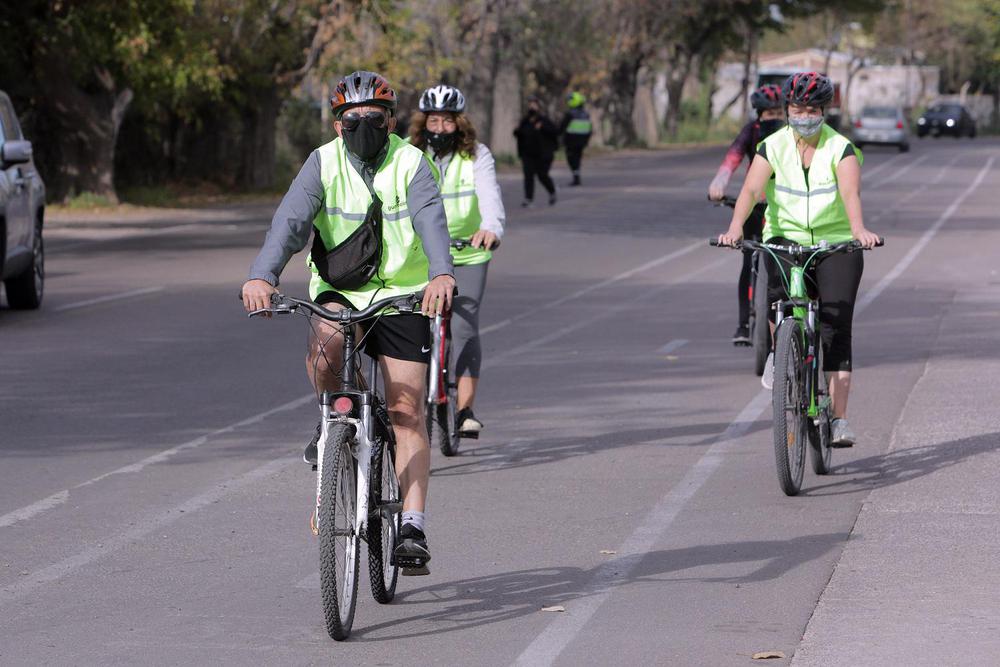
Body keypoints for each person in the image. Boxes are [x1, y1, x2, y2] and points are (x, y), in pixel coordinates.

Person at [241, 70, 456, 571]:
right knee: (327, 342)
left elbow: (429, 218)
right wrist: (262, 276)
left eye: (373, 119)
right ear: (338, 125)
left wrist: (441, 273)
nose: (363, 126)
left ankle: (413, 526)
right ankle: (335, 417)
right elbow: (290, 223)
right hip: (341, 289)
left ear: (391, 120)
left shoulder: (411, 162)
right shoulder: (321, 163)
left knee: (407, 413)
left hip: (404, 295)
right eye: (352, 119)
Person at [717, 72, 880, 447]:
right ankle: (781, 352)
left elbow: (851, 194)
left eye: (811, 109)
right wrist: (735, 226)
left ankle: (839, 420)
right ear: (787, 110)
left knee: (835, 329)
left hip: (835, 243)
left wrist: (858, 230)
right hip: (785, 238)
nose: (803, 115)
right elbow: (752, 189)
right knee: (780, 301)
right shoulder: (771, 146)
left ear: (823, 111)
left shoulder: (841, 149)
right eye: (796, 108)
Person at [408, 84, 505, 436]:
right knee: (411, 324)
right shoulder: (408, 152)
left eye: (447, 121)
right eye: (433, 120)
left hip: (468, 250)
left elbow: (489, 196)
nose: (439, 129)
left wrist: (491, 228)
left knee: (463, 325)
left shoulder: (477, 155)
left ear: (459, 123)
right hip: (421, 254)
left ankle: (465, 410)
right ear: (423, 122)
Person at [708, 83, 785, 346]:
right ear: (759, 114)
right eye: (768, 114)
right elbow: (733, 158)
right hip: (754, 204)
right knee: (748, 261)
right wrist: (719, 184)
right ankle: (743, 324)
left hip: (785, 206)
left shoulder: (790, 134)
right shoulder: (750, 132)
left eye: (778, 113)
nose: (773, 119)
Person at [513, 95, 559, 207]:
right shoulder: (525, 120)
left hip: (543, 154)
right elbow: (518, 133)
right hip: (527, 154)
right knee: (528, 176)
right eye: (530, 104)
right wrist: (518, 131)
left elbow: (554, 132)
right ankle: (528, 198)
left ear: (538, 106)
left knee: (542, 175)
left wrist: (542, 128)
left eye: (534, 104)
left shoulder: (544, 120)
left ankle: (552, 191)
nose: (531, 106)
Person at [559, 91, 593, 186]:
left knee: (571, 159)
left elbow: (561, 127)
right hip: (582, 142)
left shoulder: (570, 114)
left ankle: (576, 177)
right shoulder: (586, 114)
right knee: (577, 159)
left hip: (571, 141)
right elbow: (590, 129)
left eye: (570, 100)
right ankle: (576, 176)